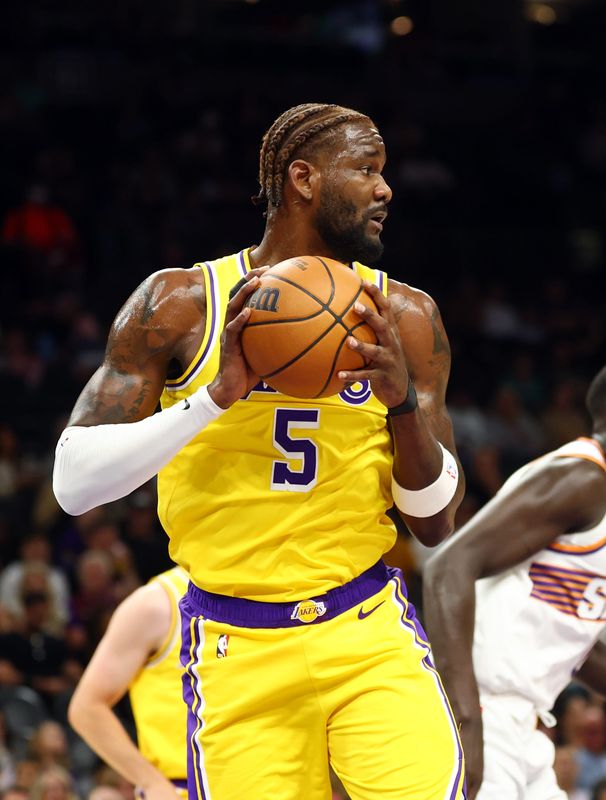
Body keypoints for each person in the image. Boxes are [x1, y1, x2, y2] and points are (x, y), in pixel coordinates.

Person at [53, 102, 465, 799]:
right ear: (303, 178)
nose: (385, 189)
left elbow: (436, 524)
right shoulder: (183, 303)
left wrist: (401, 408)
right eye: (366, 169)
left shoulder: (404, 317)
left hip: (366, 633)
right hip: (232, 643)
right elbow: (74, 485)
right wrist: (214, 397)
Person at [423, 365, 606, 800]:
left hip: (525, 725)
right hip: (480, 709)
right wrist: (466, 721)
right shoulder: (583, 478)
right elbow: (448, 567)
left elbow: (570, 636)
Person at [68, 567, 189, 800]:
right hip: (184, 788)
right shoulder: (156, 603)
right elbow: (86, 708)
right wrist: (152, 783)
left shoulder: (275, 587)